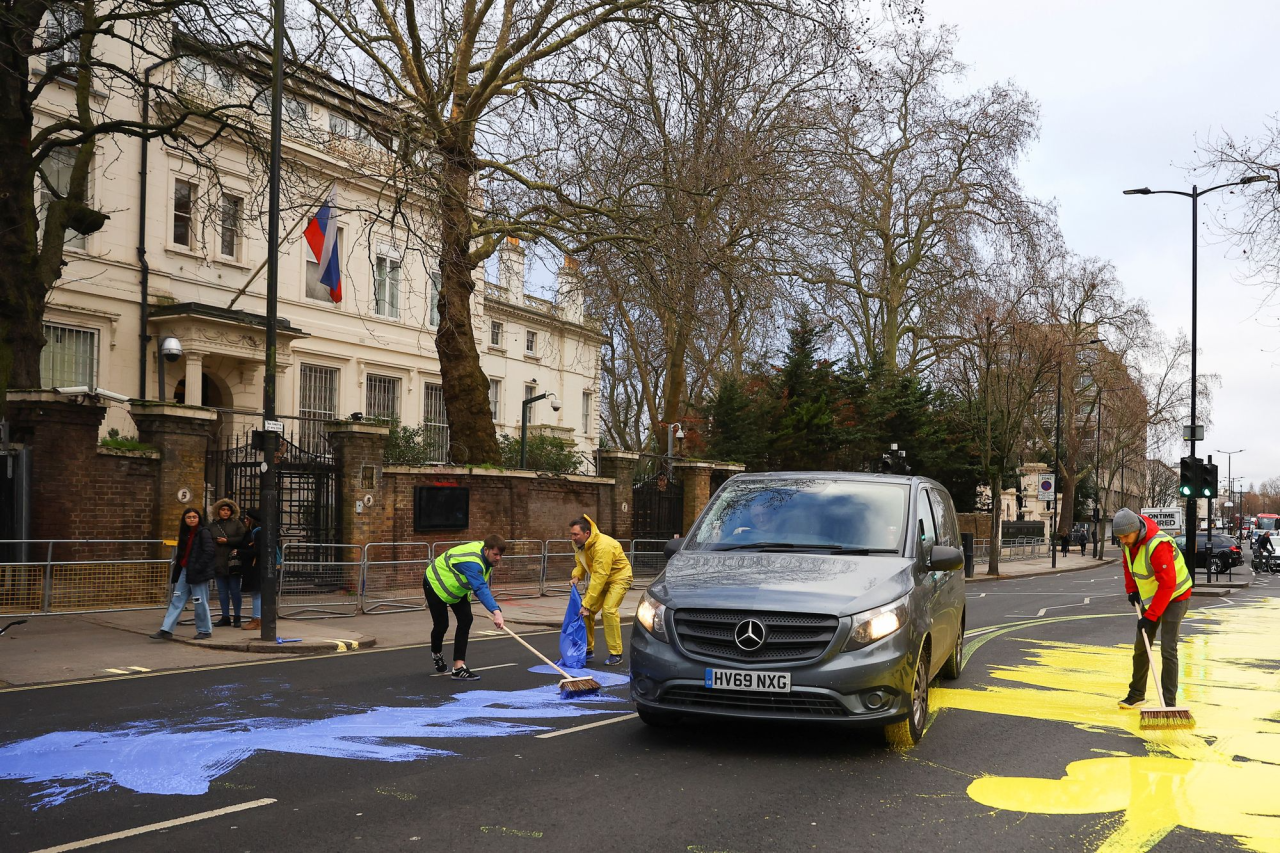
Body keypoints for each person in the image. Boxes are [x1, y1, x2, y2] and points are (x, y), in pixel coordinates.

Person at [1113, 508, 1193, 710]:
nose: (1123, 540)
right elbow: (1128, 565)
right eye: (1119, 537)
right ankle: (1136, 694)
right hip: (1152, 599)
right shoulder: (1128, 543)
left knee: (1168, 648)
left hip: (1175, 596)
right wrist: (1131, 590)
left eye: (1125, 536)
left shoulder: (1158, 545)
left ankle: (1169, 704)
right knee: (1142, 646)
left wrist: (1151, 616)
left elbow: (1167, 585)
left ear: (1135, 529)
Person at [424, 537, 506, 680]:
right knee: (442, 625)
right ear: (486, 550)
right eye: (495, 554)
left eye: (500, 555)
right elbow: (480, 588)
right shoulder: (472, 563)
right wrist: (496, 612)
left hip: (457, 588)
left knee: (466, 619)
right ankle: (436, 653)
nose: (498, 558)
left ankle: (458, 668)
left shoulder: (485, 550)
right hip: (436, 584)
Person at [569, 515, 633, 666]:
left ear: (587, 533)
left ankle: (616, 653)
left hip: (619, 578)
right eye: (571, 534)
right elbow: (581, 562)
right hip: (603, 580)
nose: (573, 538)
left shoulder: (603, 546)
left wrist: (587, 603)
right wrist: (577, 576)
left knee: (609, 611)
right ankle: (588, 649)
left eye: (576, 534)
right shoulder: (580, 544)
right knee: (586, 613)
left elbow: (599, 576)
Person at [150, 507, 216, 640]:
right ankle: (166, 629)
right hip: (185, 570)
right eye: (188, 517)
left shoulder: (204, 532)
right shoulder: (185, 533)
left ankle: (205, 630)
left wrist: (198, 567)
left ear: (199, 518)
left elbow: (209, 551)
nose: (191, 519)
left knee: (199, 601)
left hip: (197, 572)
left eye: (194, 517)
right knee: (177, 599)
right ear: (184, 519)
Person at [209, 498, 246, 627]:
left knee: (235, 590)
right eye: (223, 510)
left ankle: (237, 616)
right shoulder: (212, 525)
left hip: (232, 562)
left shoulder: (237, 524)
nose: (225, 512)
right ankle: (225, 616)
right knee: (222, 591)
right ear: (218, 511)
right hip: (218, 561)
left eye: (228, 510)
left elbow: (243, 538)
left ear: (232, 512)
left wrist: (228, 541)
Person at [237, 508, 264, 631]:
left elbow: (258, 551)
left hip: (256, 567)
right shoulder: (252, 532)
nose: (245, 520)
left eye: (247, 518)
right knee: (256, 594)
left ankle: (257, 619)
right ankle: (257, 618)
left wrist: (240, 552)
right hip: (253, 567)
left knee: (256, 594)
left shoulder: (258, 532)